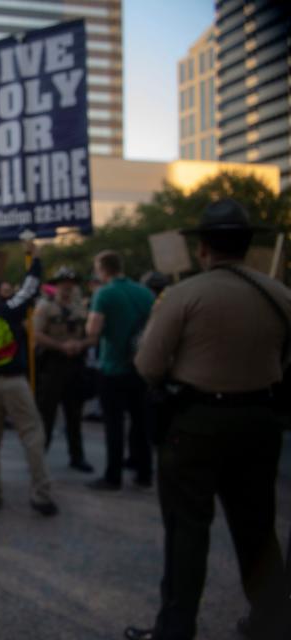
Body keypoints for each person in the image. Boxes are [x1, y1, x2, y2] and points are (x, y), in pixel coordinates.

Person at [125, 199, 291, 640]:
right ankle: (272, 621)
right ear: (247, 244)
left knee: (187, 531)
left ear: (203, 249)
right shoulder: (278, 293)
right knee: (258, 528)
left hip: (196, 423)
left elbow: (148, 365)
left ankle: (176, 628)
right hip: (261, 420)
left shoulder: (185, 294)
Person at [0, 244, 58, 516]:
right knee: (32, 435)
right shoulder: (9, 310)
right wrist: (35, 260)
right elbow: (30, 287)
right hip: (15, 382)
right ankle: (41, 495)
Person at [84, 250, 155, 491]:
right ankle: (144, 472)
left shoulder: (104, 293)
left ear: (102, 269)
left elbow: (93, 333)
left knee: (114, 424)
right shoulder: (145, 292)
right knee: (140, 422)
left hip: (113, 368)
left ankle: (113, 476)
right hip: (141, 367)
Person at [33, 267, 93, 473]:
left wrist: (80, 344)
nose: (67, 286)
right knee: (46, 415)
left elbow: (91, 335)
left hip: (75, 365)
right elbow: (37, 334)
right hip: (53, 364)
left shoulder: (81, 308)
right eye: (64, 282)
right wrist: (61, 346)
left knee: (74, 414)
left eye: (71, 282)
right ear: (57, 285)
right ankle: (40, 458)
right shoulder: (46, 307)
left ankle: (77, 456)